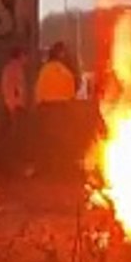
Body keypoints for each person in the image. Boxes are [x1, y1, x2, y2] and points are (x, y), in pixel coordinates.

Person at [34, 42, 78, 175]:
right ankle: (62, 169)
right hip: (62, 108)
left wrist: (39, 105)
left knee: (47, 140)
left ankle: (48, 169)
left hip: (47, 108)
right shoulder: (66, 71)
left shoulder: (45, 70)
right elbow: (71, 91)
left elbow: (39, 90)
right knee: (62, 140)